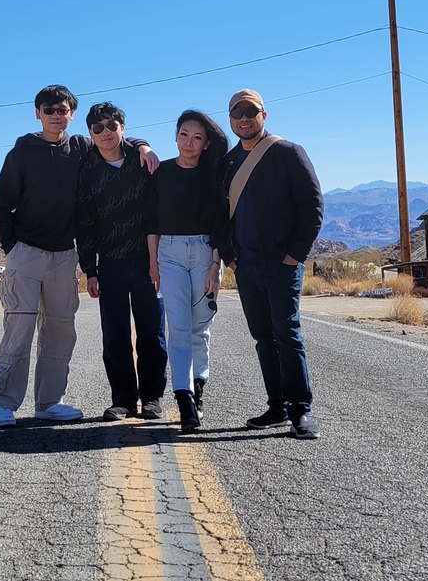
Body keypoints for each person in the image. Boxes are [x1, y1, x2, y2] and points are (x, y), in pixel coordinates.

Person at [0, 86, 156, 428]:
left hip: (65, 255)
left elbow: (116, 137)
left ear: (71, 114)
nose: (55, 114)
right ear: (37, 113)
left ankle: (48, 402)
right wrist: (13, 248)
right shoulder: (21, 153)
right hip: (27, 253)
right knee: (19, 328)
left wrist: (144, 146)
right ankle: (4, 402)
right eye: (48, 109)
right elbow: (2, 206)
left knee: (60, 330)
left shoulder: (80, 146)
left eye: (61, 109)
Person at [219, 89, 324, 440]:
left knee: (287, 334)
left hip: (282, 264)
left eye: (251, 111)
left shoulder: (287, 153)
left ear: (264, 115)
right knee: (263, 337)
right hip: (246, 265)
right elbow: (220, 213)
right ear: (231, 119)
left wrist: (294, 255)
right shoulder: (230, 162)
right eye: (238, 113)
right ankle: (276, 406)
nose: (244, 118)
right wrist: (229, 253)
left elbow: (312, 208)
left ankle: (301, 410)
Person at [75, 102, 169, 422]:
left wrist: (158, 261)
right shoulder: (87, 170)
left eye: (111, 125)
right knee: (114, 335)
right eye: (97, 128)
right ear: (90, 133)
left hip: (147, 262)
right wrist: (91, 270)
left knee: (151, 331)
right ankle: (124, 400)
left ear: (122, 128)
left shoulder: (143, 162)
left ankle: (153, 398)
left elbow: (157, 213)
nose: (105, 132)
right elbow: (85, 223)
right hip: (111, 264)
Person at [148, 109, 229, 433]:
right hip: (169, 254)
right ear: (176, 136)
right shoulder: (161, 173)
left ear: (206, 143)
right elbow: (150, 220)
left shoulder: (214, 176)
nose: (189, 142)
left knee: (200, 329)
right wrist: (153, 262)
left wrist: (214, 264)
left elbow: (220, 223)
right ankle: (184, 403)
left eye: (197, 137)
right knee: (178, 328)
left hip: (205, 253)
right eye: (184, 135)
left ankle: (198, 392)